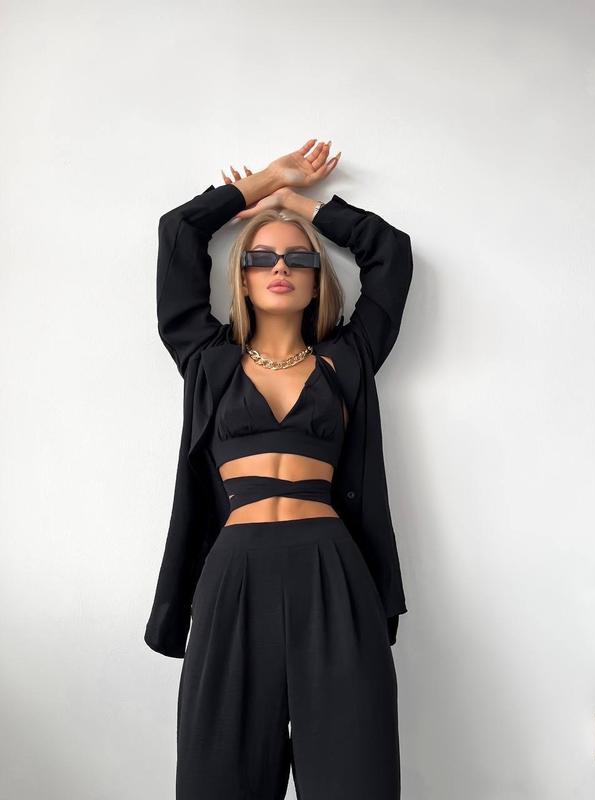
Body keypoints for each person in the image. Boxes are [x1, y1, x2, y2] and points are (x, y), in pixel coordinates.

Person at [147, 139, 414, 799]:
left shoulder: (347, 360)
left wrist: (301, 206)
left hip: (332, 575)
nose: (280, 267)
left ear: (318, 279)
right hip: (232, 578)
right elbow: (178, 232)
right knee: (218, 780)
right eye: (261, 257)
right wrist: (264, 182)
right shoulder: (207, 362)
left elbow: (390, 252)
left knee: (354, 780)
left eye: (299, 258)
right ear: (240, 278)